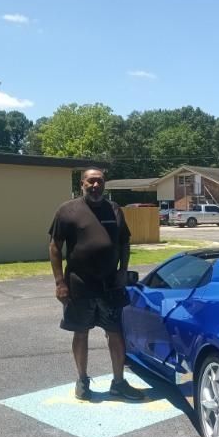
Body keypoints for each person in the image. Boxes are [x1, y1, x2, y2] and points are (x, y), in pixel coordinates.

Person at [48, 167, 144, 401]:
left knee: (115, 333)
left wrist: (123, 270)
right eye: (91, 181)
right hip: (79, 285)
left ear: (104, 184)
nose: (95, 186)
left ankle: (119, 383)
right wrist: (60, 282)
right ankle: (82, 381)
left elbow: (124, 243)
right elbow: (54, 246)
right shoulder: (67, 210)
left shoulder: (114, 209)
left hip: (110, 286)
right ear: (82, 183)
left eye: (99, 181)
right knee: (81, 333)